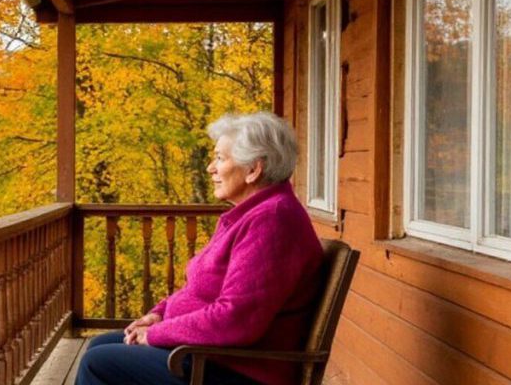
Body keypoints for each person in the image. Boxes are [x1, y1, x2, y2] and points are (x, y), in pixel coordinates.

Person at [75, 112, 325, 385]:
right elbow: (199, 288)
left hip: (240, 370)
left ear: (253, 169)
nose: (210, 168)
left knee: (98, 363)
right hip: (213, 355)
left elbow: (235, 318)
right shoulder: (247, 215)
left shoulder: (272, 220)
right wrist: (157, 313)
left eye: (220, 158)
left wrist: (158, 333)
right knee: (101, 345)